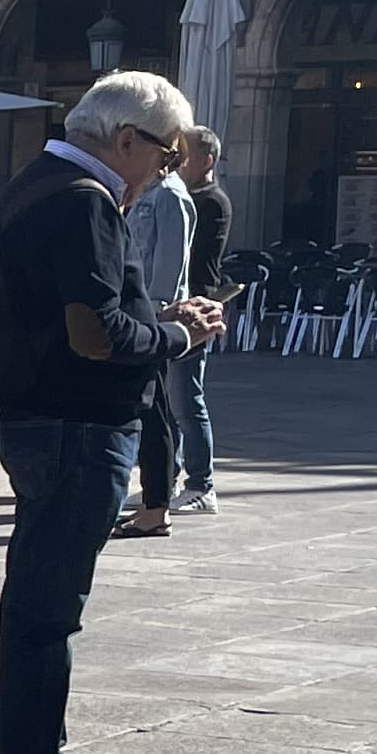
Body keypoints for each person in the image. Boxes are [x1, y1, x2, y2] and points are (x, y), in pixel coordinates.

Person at [0, 71, 224, 754]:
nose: (166, 167)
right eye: (165, 152)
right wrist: (179, 334)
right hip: (74, 427)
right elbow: (93, 335)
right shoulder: (84, 201)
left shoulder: (40, 183)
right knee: (47, 609)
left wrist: (153, 311)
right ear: (126, 140)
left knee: (43, 603)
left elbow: (87, 310)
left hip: (48, 419)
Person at [118, 133, 200, 543]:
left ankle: (156, 506)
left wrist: (160, 316)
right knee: (150, 411)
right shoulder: (147, 193)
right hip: (138, 315)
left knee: (156, 414)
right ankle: (152, 500)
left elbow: (170, 261)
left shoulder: (171, 196)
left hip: (153, 317)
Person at [169, 126, 228, 512]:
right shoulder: (183, 197)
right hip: (180, 304)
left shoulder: (208, 202)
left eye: (184, 157)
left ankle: (202, 484)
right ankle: (167, 478)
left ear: (206, 161)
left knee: (187, 398)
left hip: (197, 306)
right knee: (169, 401)